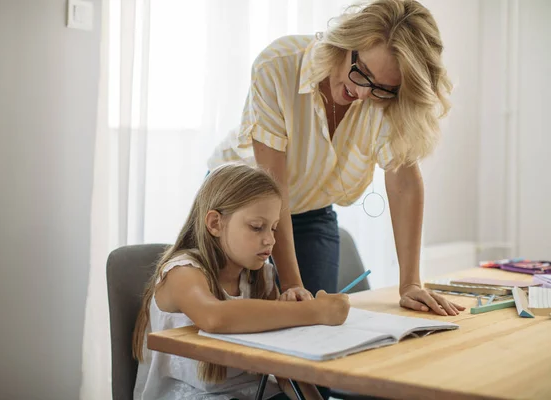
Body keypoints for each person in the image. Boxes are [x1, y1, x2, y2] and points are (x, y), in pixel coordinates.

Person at [208, 0, 465, 317]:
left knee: (318, 325)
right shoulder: (278, 65)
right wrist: (291, 286)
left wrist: (411, 284)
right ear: (348, 42)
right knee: (244, 318)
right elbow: (272, 187)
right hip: (244, 206)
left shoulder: (386, 99)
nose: (362, 96)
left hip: (312, 208)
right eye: (363, 74)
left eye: (384, 88)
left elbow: (404, 182)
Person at [132, 163, 351, 400]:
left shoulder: (262, 278)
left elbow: (279, 364)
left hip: (254, 393)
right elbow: (214, 317)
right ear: (215, 224)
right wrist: (313, 311)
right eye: (257, 227)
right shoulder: (182, 272)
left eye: (274, 228)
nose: (270, 240)